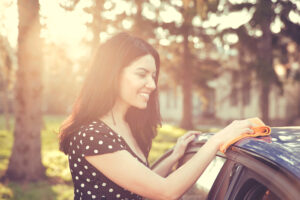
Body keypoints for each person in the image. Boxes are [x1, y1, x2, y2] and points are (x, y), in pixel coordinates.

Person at [59, 32, 254, 200]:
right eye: (141, 74)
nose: (152, 85)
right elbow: (165, 192)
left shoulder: (125, 125)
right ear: (112, 74)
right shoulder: (91, 135)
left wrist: (173, 157)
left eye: (153, 76)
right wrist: (217, 140)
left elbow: (139, 187)